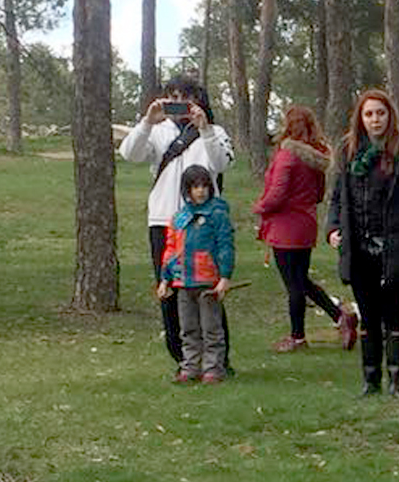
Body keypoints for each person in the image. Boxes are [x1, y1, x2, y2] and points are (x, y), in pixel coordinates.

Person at [118, 75, 236, 365]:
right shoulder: (157, 131)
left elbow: (222, 163)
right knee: (169, 289)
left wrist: (204, 129)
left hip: (203, 222)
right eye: (173, 97)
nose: (180, 103)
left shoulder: (215, 131)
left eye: (187, 96)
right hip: (164, 222)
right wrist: (148, 121)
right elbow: (129, 153)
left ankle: (216, 359)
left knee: (207, 290)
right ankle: (183, 358)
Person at [327, 89, 399, 396]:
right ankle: (371, 382)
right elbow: (337, 196)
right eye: (369, 114)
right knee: (368, 316)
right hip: (358, 246)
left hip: (394, 245)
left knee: (393, 313)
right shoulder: (349, 149)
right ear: (361, 117)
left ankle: (396, 382)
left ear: (390, 116)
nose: (375, 120)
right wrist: (332, 228)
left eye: (380, 113)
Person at [253, 105, 352, 352]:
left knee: (294, 284)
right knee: (301, 280)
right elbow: (318, 194)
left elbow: (277, 194)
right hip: (306, 224)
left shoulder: (287, 156)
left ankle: (298, 337)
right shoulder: (317, 157)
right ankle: (340, 316)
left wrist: (260, 207)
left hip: (285, 227)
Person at [161, 165, 235, 384]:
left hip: (208, 282)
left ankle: (213, 368)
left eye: (204, 186)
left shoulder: (218, 214)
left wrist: (224, 276)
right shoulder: (180, 218)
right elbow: (171, 249)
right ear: (187, 189)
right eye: (195, 186)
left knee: (211, 328)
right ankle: (191, 366)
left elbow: (225, 245)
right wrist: (166, 278)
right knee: (188, 328)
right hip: (184, 282)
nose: (200, 191)